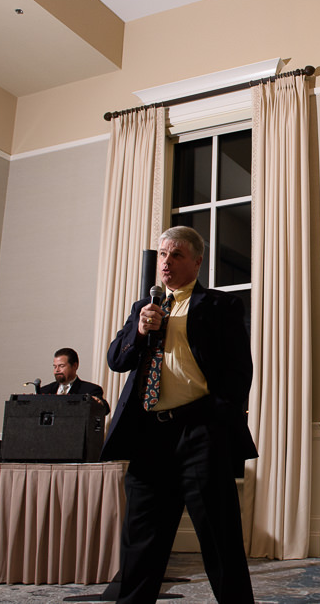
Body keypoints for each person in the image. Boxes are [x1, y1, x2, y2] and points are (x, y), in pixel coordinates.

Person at [102, 226, 256, 604]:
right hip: (150, 435)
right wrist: (138, 332)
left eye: (176, 255)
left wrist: (216, 417)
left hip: (200, 430)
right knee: (141, 540)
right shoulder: (145, 308)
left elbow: (240, 371)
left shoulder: (221, 306)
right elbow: (117, 360)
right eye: (162, 255)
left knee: (219, 536)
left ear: (197, 262)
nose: (166, 263)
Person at [39, 347, 110, 415]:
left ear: (75, 366)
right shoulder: (44, 391)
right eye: (55, 367)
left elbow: (105, 409)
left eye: (61, 366)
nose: (57, 370)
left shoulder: (91, 390)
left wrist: (99, 403)